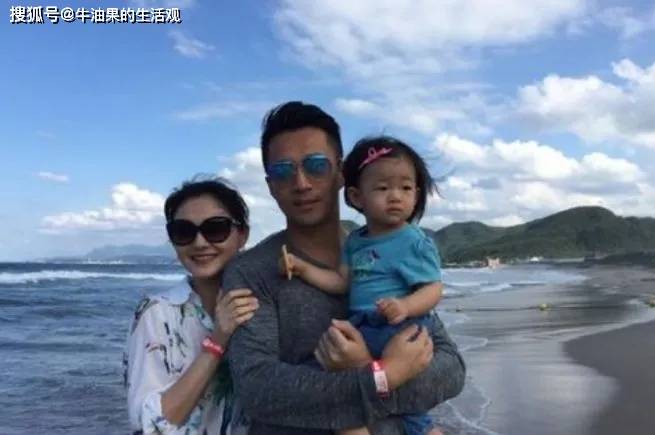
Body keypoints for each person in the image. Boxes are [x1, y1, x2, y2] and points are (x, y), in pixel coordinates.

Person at [223, 101, 466, 434]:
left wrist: (368, 372)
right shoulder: (251, 272)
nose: (301, 182)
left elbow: (451, 370)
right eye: (283, 171)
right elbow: (259, 390)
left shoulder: (391, 248)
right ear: (270, 185)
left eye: (316, 165)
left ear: (340, 173)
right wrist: (381, 376)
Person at [280, 135, 444, 435]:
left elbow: (433, 289)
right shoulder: (356, 240)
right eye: (382, 188)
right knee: (332, 377)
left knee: (407, 406)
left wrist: (405, 305)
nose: (395, 196)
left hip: (399, 326)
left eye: (406, 188)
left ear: (417, 194)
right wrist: (303, 268)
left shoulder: (413, 241)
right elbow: (341, 282)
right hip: (363, 325)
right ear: (357, 197)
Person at [124, 178, 259, 435]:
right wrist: (218, 340)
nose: (199, 242)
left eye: (215, 228)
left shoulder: (263, 306)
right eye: (184, 232)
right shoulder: (157, 314)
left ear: (242, 235)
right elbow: (150, 426)